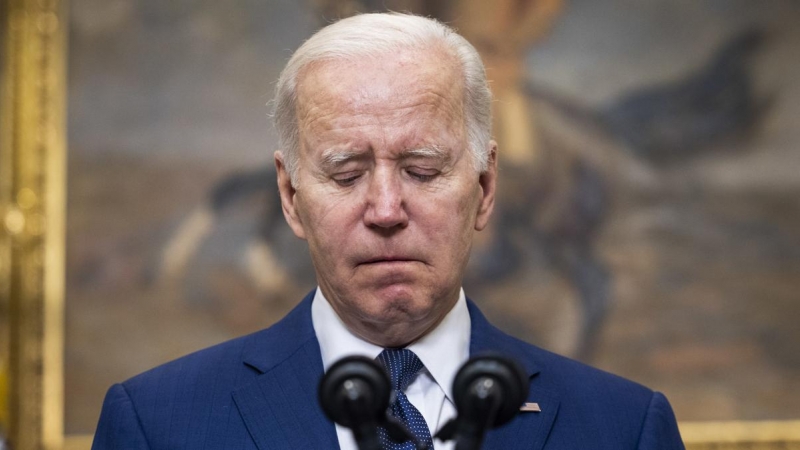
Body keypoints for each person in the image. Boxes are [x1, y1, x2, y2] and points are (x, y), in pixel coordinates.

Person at [92, 13, 684, 450]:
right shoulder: (156, 424)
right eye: (346, 174)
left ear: (485, 185)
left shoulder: (624, 428)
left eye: (421, 170)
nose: (385, 209)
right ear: (291, 197)